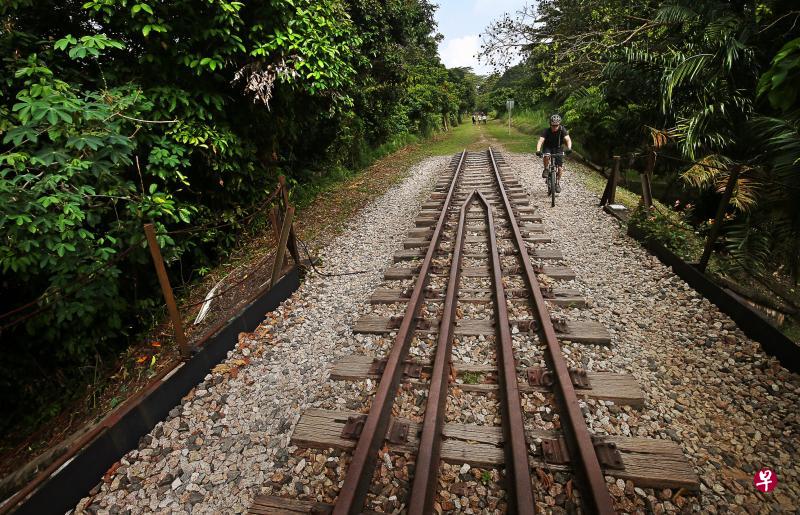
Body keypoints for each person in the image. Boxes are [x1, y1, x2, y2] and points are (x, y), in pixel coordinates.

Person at [535, 114, 572, 193]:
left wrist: (569, 148)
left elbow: (568, 140)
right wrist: (538, 150)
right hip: (548, 147)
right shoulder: (546, 131)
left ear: (559, 124)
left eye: (556, 125)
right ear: (550, 124)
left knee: (560, 168)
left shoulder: (562, 130)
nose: (555, 127)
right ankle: (546, 169)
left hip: (558, 148)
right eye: (553, 125)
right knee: (546, 156)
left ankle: (557, 183)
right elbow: (540, 141)